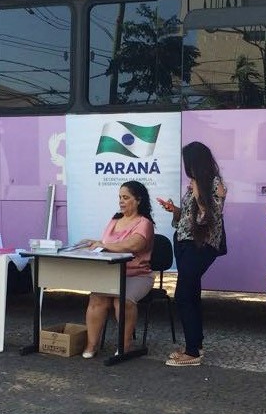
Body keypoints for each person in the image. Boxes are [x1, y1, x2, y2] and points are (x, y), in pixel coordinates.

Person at [157, 141, 227, 367]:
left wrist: (198, 195)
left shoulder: (214, 184)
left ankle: (192, 352)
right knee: (191, 293)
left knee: (183, 296)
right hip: (185, 243)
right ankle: (195, 344)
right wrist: (174, 210)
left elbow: (208, 219)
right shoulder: (195, 183)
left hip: (200, 246)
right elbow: (187, 216)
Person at [80, 180, 155, 359]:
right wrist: (93, 243)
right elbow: (106, 243)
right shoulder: (114, 220)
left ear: (138, 200)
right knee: (97, 298)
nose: (121, 201)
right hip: (112, 274)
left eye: (126, 197)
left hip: (138, 275)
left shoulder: (144, 223)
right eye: (120, 197)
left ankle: (125, 344)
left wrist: (104, 245)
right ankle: (92, 345)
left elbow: (133, 245)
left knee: (122, 300)